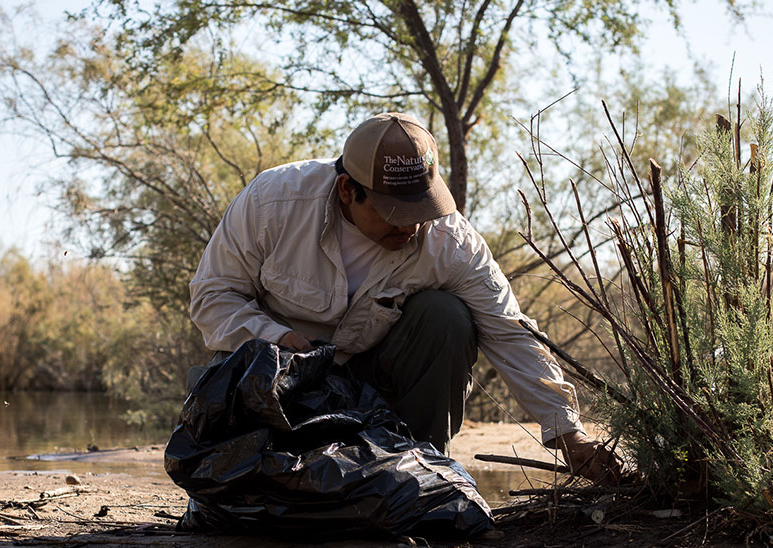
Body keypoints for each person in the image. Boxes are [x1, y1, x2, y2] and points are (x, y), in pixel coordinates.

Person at [188, 112, 620, 485]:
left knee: (446, 317)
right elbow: (212, 296)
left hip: (377, 384)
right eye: (395, 213)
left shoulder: (451, 241)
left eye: (422, 209)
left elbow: (510, 332)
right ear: (346, 190)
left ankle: (422, 471)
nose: (411, 226)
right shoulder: (274, 201)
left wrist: (567, 432)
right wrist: (277, 337)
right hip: (281, 382)